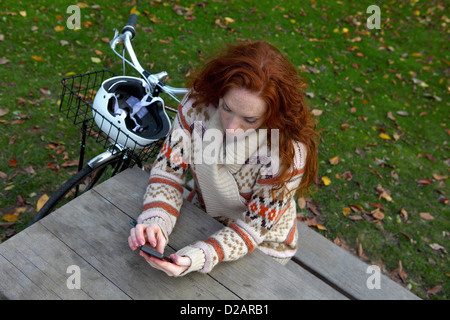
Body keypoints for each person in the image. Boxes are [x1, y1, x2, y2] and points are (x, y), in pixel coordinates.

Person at [128, 40, 319, 276]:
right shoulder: (196, 107)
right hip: (202, 212)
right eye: (226, 108)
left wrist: (198, 257)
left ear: (274, 115)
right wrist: (155, 220)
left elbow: (251, 230)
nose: (231, 128)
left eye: (249, 120)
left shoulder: (286, 154)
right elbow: (168, 171)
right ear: (219, 90)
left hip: (263, 244)